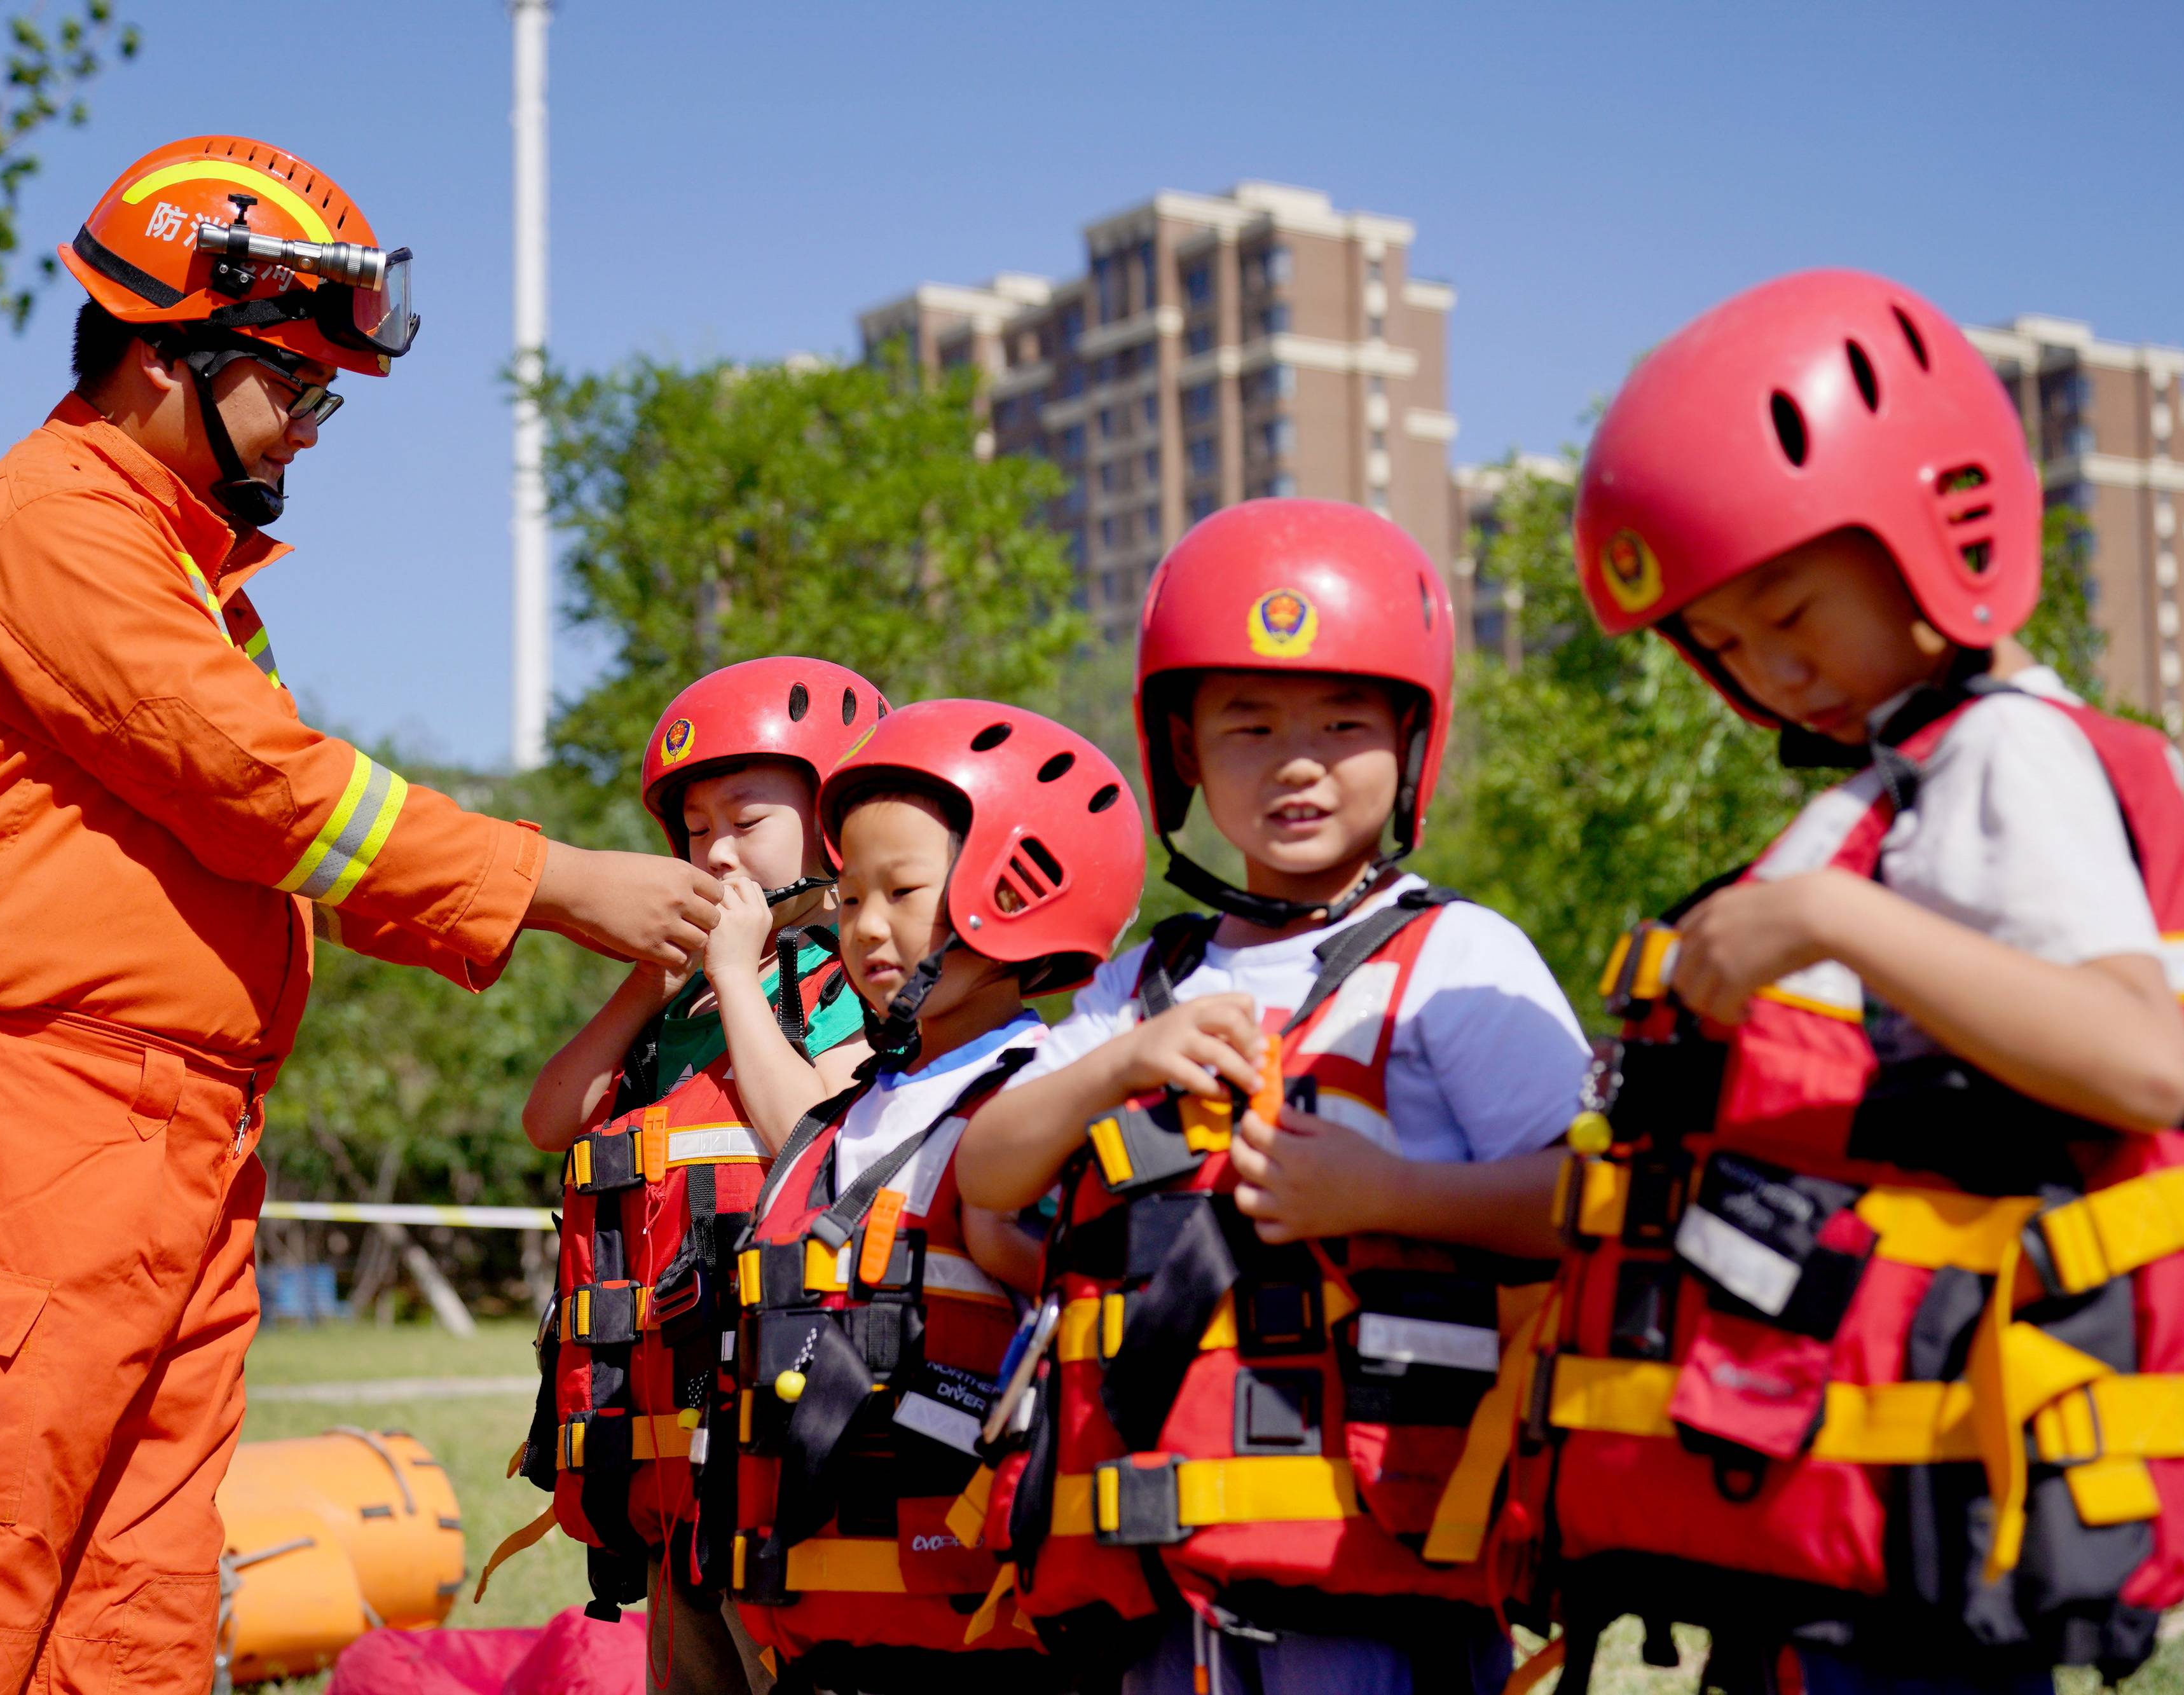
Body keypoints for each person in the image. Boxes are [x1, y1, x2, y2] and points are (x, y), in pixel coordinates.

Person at [0, 135, 719, 1695]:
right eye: (294, 386)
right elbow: (271, 790)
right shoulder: (49, 527)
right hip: (15, 1133)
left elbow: (298, 846)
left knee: (130, 1625)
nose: (312, 431)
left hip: (168, 1144)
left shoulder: (187, 578)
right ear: (162, 359)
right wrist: (564, 886)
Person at [1527, 268, 2184, 1694]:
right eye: (1722, 647)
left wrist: (1826, 917)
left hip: (1918, 1546)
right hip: (1849, 1533)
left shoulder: (1999, 756)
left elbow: (2140, 1062)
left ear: (1929, 522)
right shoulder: (1907, 778)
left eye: (1791, 609)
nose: (1776, 673)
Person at [957, 499, 1593, 1695]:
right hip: (1145, 1593)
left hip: (1370, 1591)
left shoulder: (1461, 955)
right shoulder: (1134, 986)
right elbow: (986, 1172)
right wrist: (1117, 1062)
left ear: (1411, 736)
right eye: (1248, 725)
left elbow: (1585, 1201)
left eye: (1344, 720)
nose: (1297, 759)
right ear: (1184, 750)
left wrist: (1391, 1192)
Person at [725, 699, 1148, 1694]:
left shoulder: (1044, 1103)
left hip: (993, 1651)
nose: (863, 927)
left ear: (1023, 888)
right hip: (821, 1641)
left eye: (902, 891)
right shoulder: (845, 1115)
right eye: (848, 894)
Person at [500, 657, 883, 1694]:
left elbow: (816, 1132)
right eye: (695, 827)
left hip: (779, 1437)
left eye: (747, 819)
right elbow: (550, 1118)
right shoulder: (675, 1007)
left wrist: (736, 978)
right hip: (666, 1446)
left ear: (834, 822)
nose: (716, 850)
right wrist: (647, 980)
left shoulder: (848, 983)